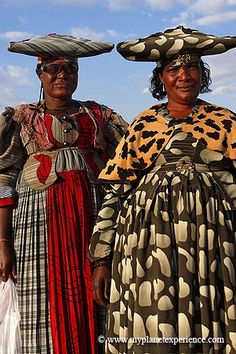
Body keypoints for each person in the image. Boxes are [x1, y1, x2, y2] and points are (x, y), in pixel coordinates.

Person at [89, 26, 236, 354]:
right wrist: (101, 259)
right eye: (174, 69)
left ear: (203, 75)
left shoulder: (226, 122)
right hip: (147, 255)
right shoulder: (143, 125)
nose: (184, 76)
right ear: (161, 79)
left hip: (211, 252)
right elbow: (115, 193)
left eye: (192, 67)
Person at [0, 33, 128, 354]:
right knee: (41, 300)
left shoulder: (100, 116)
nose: (62, 75)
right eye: (53, 69)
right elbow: (3, 179)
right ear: (39, 74)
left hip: (93, 222)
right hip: (37, 228)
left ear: (77, 74)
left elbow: (129, 163)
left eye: (69, 68)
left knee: (100, 291)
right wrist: (2, 242)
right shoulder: (21, 119)